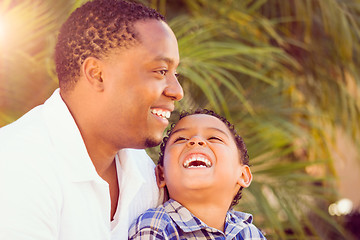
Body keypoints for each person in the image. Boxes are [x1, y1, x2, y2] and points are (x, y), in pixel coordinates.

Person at [0, 0, 183, 239]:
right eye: (160, 71)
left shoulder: (143, 172)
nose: (177, 91)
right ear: (97, 75)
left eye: (175, 74)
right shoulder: (17, 166)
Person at [128, 109, 267, 239]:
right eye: (180, 139)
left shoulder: (250, 233)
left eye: (214, 138)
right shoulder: (156, 226)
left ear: (243, 175)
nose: (195, 141)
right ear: (161, 175)